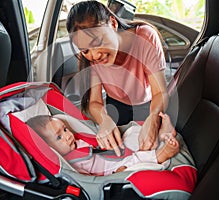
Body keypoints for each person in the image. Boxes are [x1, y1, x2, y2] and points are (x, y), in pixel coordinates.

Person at [66, 0, 169, 156]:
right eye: (86, 50)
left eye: (97, 42)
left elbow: (160, 92)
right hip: (116, 104)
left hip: (148, 105)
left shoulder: (145, 37)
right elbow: (94, 102)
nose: (94, 55)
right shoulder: (89, 57)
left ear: (112, 23)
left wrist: (154, 118)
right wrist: (105, 121)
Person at [26, 112, 179, 176]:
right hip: (113, 169)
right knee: (135, 160)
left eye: (65, 129)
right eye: (59, 138)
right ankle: (162, 154)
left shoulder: (75, 143)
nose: (67, 136)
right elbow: (88, 180)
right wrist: (114, 174)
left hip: (113, 153)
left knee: (131, 132)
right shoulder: (70, 164)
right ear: (48, 149)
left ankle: (162, 133)